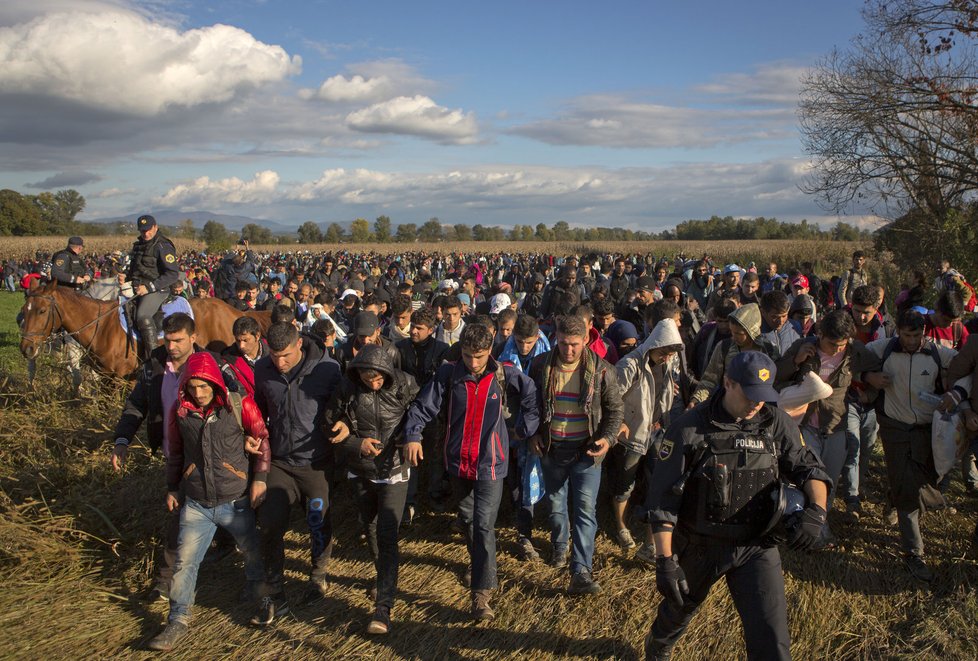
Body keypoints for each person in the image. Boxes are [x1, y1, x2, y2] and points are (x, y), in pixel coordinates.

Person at [644, 351, 831, 661]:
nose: (757, 403)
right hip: (700, 546)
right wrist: (665, 561)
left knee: (771, 637)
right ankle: (659, 644)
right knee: (678, 609)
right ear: (728, 382)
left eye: (764, 395)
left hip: (756, 545)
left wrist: (818, 511)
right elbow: (663, 501)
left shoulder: (775, 423)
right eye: (750, 394)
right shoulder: (689, 428)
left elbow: (808, 467)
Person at [403, 323, 540, 621]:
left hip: (491, 463)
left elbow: (531, 395)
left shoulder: (504, 374)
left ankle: (481, 594)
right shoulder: (448, 374)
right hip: (457, 462)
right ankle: (478, 560)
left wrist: (524, 428)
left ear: (489, 351)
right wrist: (413, 434)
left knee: (483, 525)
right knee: (466, 518)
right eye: (468, 356)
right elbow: (424, 406)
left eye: (478, 356)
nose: (474, 363)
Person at [111, 313, 240, 601]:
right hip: (176, 455)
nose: (171, 346)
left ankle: (228, 548)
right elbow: (136, 404)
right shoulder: (154, 367)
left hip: (214, 454)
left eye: (178, 340)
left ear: (193, 338)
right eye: (167, 340)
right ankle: (164, 581)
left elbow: (239, 398)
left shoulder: (216, 363)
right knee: (178, 517)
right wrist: (122, 440)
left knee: (216, 509)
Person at [147, 352, 270, 651]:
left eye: (204, 386)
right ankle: (177, 620)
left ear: (215, 382)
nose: (199, 394)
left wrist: (260, 479)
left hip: (235, 498)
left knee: (252, 553)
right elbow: (175, 452)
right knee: (185, 562)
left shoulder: (239, 405)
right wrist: (173, 487)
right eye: (193, 387)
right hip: (197, 502)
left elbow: (262, 437)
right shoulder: (181, 412)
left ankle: (260, 596)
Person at [324, 345, 419, 635]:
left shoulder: (405, 383)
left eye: (378, 379)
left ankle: (384, 608)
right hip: (361, 469)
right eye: (368, 378)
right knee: (371, 525)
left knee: (388, 533)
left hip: (394, 470)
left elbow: (421, 415)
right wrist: (355, 443)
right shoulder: (347, 388)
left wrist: (411, 437)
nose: (373, 383)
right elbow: (329, 423)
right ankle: (384, 575)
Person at [250, 322, 342, 625]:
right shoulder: (262, 370)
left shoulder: (327, 369)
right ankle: (274, 585)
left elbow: (342, 408)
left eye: (286, 355)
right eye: (275, 356)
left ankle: (318, 575)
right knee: (270, 523)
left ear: (299, 345)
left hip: (316, 463)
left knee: (318, 520)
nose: (280, 362)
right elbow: (259, 411)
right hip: (279, 462)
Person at [528, 315, 624, 595]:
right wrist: (533, 434)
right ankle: (560, 545)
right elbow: (530, 406)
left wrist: (607, 439)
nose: (568, 350)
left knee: (585, 510)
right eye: (563, 343)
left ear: (585, 340)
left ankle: (581, 568)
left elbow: (615, 411)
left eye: (574, 345)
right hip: (552, 448)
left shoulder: (603, 371)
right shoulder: (540, 366)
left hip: (586, 452)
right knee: (556, 504)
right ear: (555, 337)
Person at [864, 310, 956, 581]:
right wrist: (869, 376)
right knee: (909, 492)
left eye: (917, 335)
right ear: (898, 332)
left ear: (924, 333)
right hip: (894, 429)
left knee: (926, 481)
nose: (912, 341)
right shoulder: (882, 349)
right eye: (907, 335)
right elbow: (853, 355)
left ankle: (896, 496)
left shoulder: (939, 354)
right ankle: (914, 553)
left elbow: (966, 365)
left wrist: (955, 392)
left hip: (927, 433)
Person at [774, 310, 879, 547]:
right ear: (820, 334)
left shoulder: (854, 352)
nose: (837, 349)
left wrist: (868, 391)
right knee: (808, 477)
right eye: (832, 344)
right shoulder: (803, 347)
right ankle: (803, 527)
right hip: (804, 424)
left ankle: (819, 525)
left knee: (829, 481)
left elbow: (879, 370)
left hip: (835, 425)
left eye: (842, 344)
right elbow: (775, 376)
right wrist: (795, 361)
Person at [613, 318, 684, 562]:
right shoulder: (629, 365)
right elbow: (612, 397)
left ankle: (651, 542)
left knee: (658, 482)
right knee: (625, 483)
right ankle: (621, 526)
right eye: (664, 352)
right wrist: (618, 423)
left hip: (656, 431)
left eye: (670, 353)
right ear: (654, 344)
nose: (666, 357)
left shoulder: (668, 363)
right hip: (632, 434)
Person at [119, 214, 180, 359]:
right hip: (136, 288)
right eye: (142, 231)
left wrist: (149, 287)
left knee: (142, 316)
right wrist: (125, 277)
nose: (146, 233)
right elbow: (135, 269)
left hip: (158, 289)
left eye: (148, 230)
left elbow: (172, 274)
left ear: (155, 227)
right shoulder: (138, 245)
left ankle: (153, 359)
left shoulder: (162, 245)